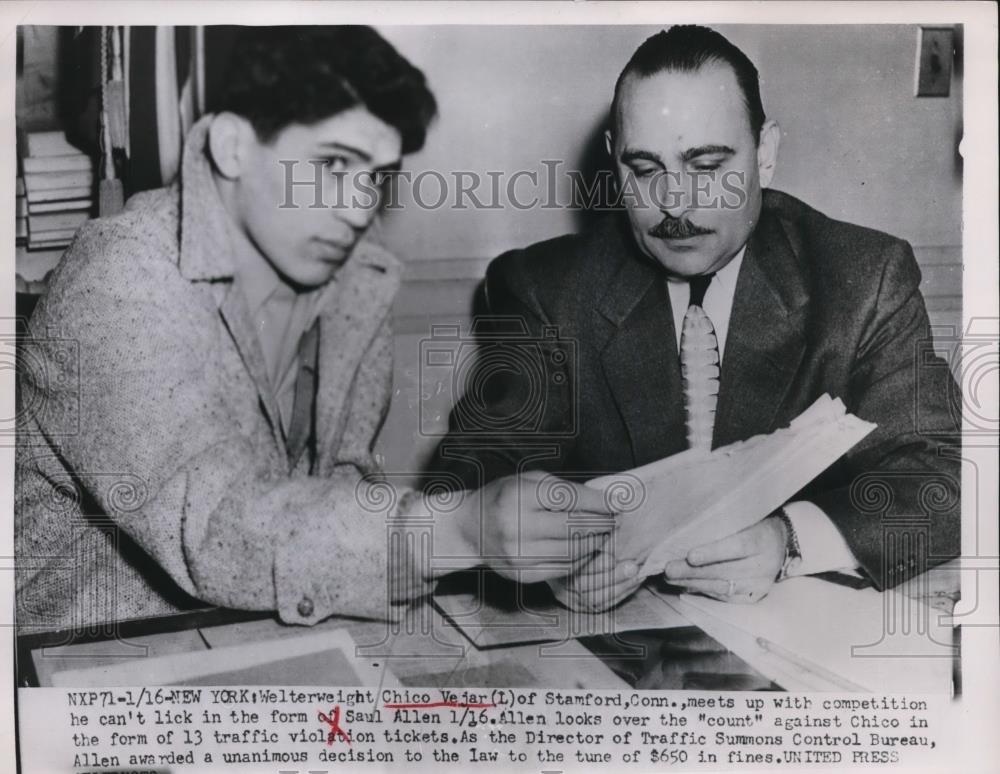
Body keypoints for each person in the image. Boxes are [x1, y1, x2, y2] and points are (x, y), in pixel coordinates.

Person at [15, 26, 616, 633]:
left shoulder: (357, 277)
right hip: (85, 652)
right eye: (332, 164)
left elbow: (344, 484)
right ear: (232, 147)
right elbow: (216, 522)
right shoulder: (116, 280)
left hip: (254, 638)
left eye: (375, 177)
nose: (358, 210)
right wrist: (457, 529)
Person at [428, 25, 961, 612]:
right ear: (613, 162)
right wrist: (536, 562)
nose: (675, 204)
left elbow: (947, 480)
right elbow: (462, 489)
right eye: (645, 169)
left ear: (766, 154)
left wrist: (788, 540)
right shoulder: (546, 290)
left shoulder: (865, 277)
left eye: (706, 166)